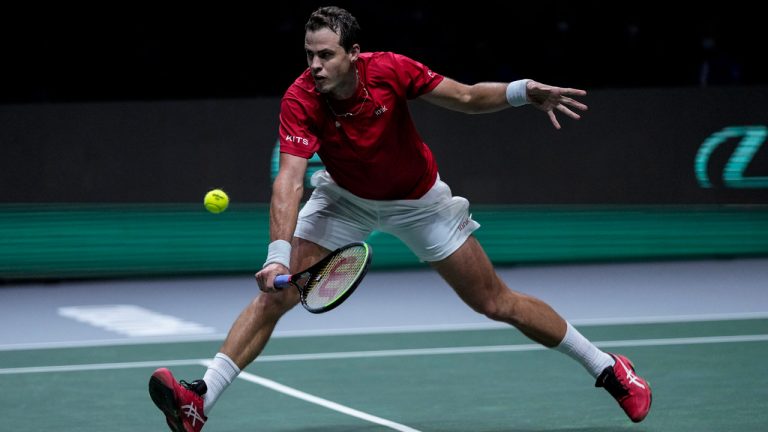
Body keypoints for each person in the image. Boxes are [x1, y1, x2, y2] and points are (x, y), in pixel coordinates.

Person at [148, 6, 652, 431]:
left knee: (495, 302)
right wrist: (278, 255)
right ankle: (200, 401)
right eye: (309, 55)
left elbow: (468, 97)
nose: (317, 66)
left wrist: (523, 91)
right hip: (345, 198)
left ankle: (610, 369)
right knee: (276, 295)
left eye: (326, 55)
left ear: (352, 54)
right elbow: (290, 179)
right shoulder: (300, 98)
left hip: (419, 201)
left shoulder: (389, 70)